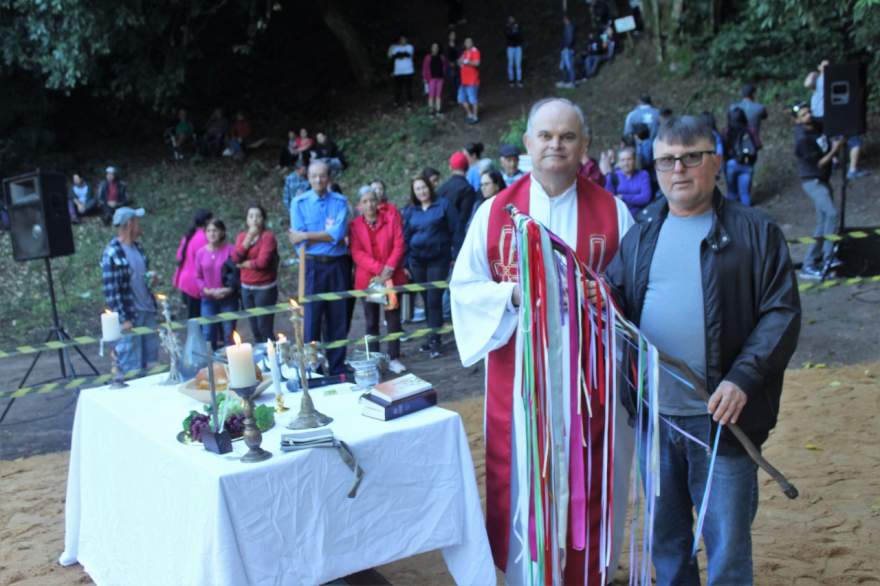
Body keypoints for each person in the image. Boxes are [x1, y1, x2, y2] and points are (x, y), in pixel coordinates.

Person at [605, 114, 801, 585]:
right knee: (667, 542)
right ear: (655, 168)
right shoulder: (643, 231)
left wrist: (742, 378)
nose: (679, 169)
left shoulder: (756, 231)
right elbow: (614, 298)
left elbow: (782, 313)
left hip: (723, 421)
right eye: (668, 161)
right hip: (656, 417)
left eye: (692, 157)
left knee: (727, 546)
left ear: (715, 162)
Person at [450, 97, 635, 585]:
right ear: (528, 144)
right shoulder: (493, 213)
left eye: (568, 136)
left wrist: (607, 295)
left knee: (589, 482)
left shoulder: (613, 212)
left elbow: (636, 290)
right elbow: (464, 290)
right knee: (525, 480)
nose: (556, 145)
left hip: (591, 388)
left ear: (584, 146)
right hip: (520, 386)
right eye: (546, 136)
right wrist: (511, 294)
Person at [289, 161, 351, 375]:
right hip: (312, 265)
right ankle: (312, 368)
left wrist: (307, 234)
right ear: (308, 178)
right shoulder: (299, 203)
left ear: (329, 177)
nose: (318, 180)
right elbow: (298, 241)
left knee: (338, 317)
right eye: (314, 176)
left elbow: (338, 233)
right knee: (311, 318)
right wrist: (316, 237)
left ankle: (336, 368)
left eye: (322, 176)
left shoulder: (340, 201)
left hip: (337, 265)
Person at [350, 186, 408, 374]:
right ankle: (374, 358)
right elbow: (357, 252)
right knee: (371, 321)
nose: (369, 204)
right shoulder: (355, 226)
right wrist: (379, 269)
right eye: (365, 201)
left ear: (378, 202)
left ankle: (394, 357)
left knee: (393, 320)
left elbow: (399, 244)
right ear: (360, 205)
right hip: (369, 279)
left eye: (372, 200)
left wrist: (389, 267)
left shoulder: (390, 220)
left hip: (390, 277)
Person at [403, 175, 457, 358]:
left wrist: (456, 256)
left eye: (424, 187)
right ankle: (431, 336)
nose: (422, 191)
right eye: (417, 189)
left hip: (438, 260)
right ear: (414, 192)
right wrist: (405, 262)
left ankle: (435, 341)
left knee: (434, 300)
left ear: (430, 188)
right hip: (417, 260)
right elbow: (405, 236)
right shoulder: (411, 211)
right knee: (426, 300)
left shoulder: (443, 205)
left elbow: (456, 231)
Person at [792, 102, 846, 280]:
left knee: (823, 221)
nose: (808, 115)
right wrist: (835, 149)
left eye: (808, 112)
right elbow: (820, 163)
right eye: (804, 114)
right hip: (812, 181)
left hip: (823, 179)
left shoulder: (816, 124)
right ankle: (822, 258)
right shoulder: (802, 140)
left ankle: (817, 260)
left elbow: (831, 121)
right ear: (797, 120)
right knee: (831, 214)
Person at [101, 207, 159, 372]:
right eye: (137, 221)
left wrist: (151, 279)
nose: (140, 225)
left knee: (151, 364)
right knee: (131, 367)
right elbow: (111, 291)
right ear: (130, 224)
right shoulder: (112, 253)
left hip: (147, 312)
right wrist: (123, 319)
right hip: (130, 317)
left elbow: (141, 279)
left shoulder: (138, 248)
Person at [805, 60, 870, 179]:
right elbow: (807, 84)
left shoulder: (827, 78)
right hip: (828, 115)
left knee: (833, 136)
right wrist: (816, 73)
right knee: (851, 139)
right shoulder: (821, 78)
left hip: (827, 114)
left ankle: (836, 161)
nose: (826, 66)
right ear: (819, 67)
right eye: (824, 64)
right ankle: (850, 169)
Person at [231, 203, 278, 342]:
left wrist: (245, 264)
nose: (255, 219)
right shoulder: (242, 237)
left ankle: (273, 358)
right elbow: (235, 258)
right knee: (254, 327)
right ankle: (261, 359)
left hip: (265, 288)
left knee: (265, 327)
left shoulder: (268, 237)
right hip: (246, 288)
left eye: (258, 216)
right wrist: (248, 239)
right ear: (247, 219)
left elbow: (262, 262)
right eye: (251, 216)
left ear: (263, 219)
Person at [195, 218, 238, 349]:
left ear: (222, 232)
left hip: (228, 298)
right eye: (208, 230)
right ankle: (210, 365)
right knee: (208, 333)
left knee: (228, 334)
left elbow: (237, 274)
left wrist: (229, 289)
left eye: (215, 230)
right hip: (208, 299)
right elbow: (197, 277)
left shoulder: (231, 250)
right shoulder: (200, 253)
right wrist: (206, 290)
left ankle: (231, 363)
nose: (212, 234)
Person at [436, 151, 477, 258]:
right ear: (467, 168)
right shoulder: (468, 189)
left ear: (450, 167)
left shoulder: (442, 188)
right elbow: (463, 220)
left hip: (439, 240)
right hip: (458, 242)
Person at [173, 209, 213, 318]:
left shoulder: (189, 235)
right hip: (195, 284)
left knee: (193, 318)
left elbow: (179, 256)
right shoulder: (204, 238)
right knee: (197, 319)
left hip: (184, 282)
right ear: (207, 222)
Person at [722, 107, 760, 206]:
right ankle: (747, 218)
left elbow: (723, 149)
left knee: (732, 193)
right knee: (744, 194)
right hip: (747, 164)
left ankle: (731, 218)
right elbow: (758, 145)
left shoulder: (726, 131)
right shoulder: (751, 130)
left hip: (731, 164)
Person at [605, 145, 652, 216]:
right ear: (619, 162)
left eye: (629, 159)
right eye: (622, 160)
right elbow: (610, 201)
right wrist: (636, 197)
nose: (626, 163)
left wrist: (623, 197)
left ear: (634, 160)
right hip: (620, 217)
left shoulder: (643, 175)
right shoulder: (612, 177)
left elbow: (646, 198)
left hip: (641, 217)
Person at [457, 37, 481, 124]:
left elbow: (477, 63)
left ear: (472, 43)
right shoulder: (465, 52)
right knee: (461, 99)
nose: (467, 43)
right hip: (463, 81)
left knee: (473, 99)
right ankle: (469, 114)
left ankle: (475, 117)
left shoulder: (475, 51)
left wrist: (466, 62)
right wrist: (461, 61)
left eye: (469, 42)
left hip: (472, 81)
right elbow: (459, 62)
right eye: (466, 42)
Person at [422, 42, 448, 116]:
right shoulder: (428, 57)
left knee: (438, 95)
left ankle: (438, 111)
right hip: (431, 79)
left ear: (439, 48)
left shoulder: (442, 57)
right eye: (433, 47)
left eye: (436, 47)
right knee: (431, 96)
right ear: (431, 48)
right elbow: (424, 68)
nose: (435, 48)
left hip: (440, 78)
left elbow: (445, 66)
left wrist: (444, 74)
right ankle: (431, 112)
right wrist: (424, 78)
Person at [388, 35, 415, 108]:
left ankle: (409, 102)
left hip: (408, 71)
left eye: (404, 39)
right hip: (398, 72)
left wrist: (398, 55)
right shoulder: (395, 47)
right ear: (399, 40)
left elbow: (408, 54)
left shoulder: (410, 46)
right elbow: (390, 56)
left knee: (408, 88)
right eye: (401, 39)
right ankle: (396, 102)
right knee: (397, 88)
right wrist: (393, 49)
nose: (403, 41)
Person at [557, 15, 576, 89]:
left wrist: (567, 46)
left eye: (564, 19)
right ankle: (563, 81)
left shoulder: (570, 27)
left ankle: (572, 83)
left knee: (569, 66)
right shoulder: (566, 27)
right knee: (562, 66)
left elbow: (570, 39)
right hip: (564, 49)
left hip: (568, 49)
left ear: (567, 19)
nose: (563, 21)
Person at [505, 16, 524, 87]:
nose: (511, 20)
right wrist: (513, 31)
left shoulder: (517, 26)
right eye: (510, 19)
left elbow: (520, 36)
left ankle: (519, 80)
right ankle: (511, 80)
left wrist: (515, 30)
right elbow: (508, 35)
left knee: (518, 64)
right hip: (510, 48)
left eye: (512, 19)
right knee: (510, 64)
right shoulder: (507, 27)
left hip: (518, 47)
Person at [445, 29, 461, 104]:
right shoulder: (446, 45)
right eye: (451, 35)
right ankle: (453, 98)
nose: (453, 36)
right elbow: (445, 56)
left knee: (458, 82)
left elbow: (460, 54)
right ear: (449, 36)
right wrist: (449, 63)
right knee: (452, 83)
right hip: (450, 67)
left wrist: (457, 62)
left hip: (457, 66)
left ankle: (459, 98)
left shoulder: (458, 45)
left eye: (454, 35)